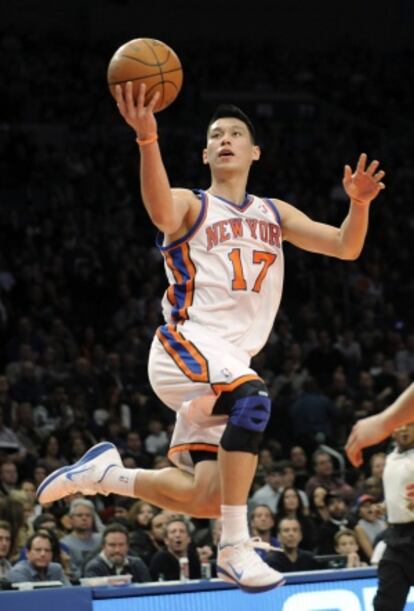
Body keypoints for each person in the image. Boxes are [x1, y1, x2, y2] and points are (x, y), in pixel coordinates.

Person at [36, 80, 385, 593]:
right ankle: (234, 547)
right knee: (254, 398)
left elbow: (344, 246)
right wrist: (147, 140)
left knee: (204, 494)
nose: (225, 139)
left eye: (236, 133)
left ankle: (106, 476)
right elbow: (159, 210)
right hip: (185, 345)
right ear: (203, 153)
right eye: (216, 134)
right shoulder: (191, 204)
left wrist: (358, 204)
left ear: (254, 151)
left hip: (225, 364)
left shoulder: (274, 213)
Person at [372, 422, 414, 611]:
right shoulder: (389, 459)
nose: (404, 429)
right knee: (385, 604)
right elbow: (396, 493)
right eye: (399, 425)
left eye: (410, 425)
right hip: (397, 537)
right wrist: (384, 506)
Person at [345, 383, 414, 467]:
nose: (404, 429)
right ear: (393, 435)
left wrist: (385, 422)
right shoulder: (391, 461)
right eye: (400, 426)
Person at [84, 523, 150, 583]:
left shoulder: (137, 564)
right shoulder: (94, 568)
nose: (117, 550)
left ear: (127, 546)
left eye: (121, 545)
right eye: (112, 545)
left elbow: (148, 591)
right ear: (103, 546)